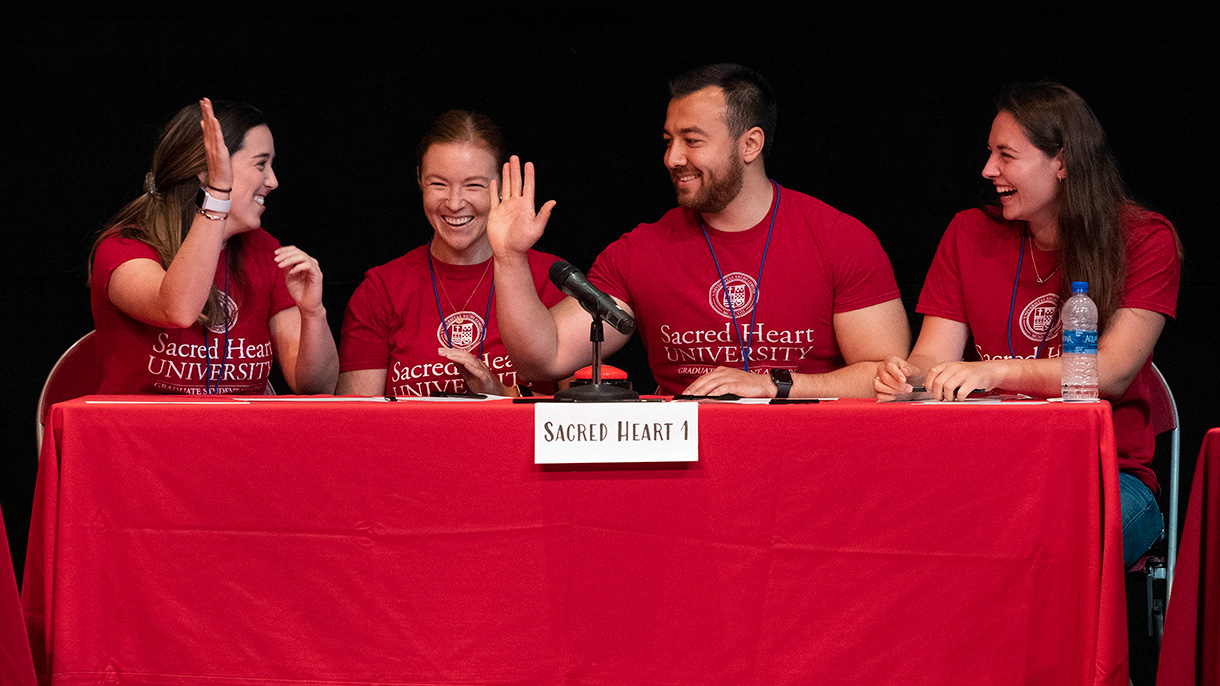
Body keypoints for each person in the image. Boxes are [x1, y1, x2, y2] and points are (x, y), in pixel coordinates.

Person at [873, 82, 1181, 566]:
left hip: (1104, 473)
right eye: (989, 153)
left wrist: (993, 371)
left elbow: (1112, 370)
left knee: (1034, 545)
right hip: (990, 466)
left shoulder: (1144, 238)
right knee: (890, 527)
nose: (988, 170)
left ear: (1062, 161)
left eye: (1006, 155)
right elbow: (932, 356)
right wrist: (909, 377)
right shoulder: (968, 232)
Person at [488, 64, 909, 398]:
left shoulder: (838, 238)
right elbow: (543, 360)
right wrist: (509, 257)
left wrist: (775, 385)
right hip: (687, 472)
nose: (672, 158)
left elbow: (887, 377)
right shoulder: (641, 250)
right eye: (668, 140)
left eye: (692, 140)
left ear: (751, 144)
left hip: (808, 461)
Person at [89, 98, 339, 395]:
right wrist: (218, 194)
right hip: (146, 438)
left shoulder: (264, 250)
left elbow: (316, 387)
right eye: (261, 164)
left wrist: (313, 313)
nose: (273, 181)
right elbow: (178, 310)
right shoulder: (124, 246)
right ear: (207, 171)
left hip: (242, 438)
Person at [337, 111, 565, 397]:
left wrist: (500, 393)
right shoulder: (380, 289)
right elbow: (357, 423)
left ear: (504, 185)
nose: (455, 203)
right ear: (419, 179)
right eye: (438, 184)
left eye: (474, 185)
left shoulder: (553, 278)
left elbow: (580, 422)